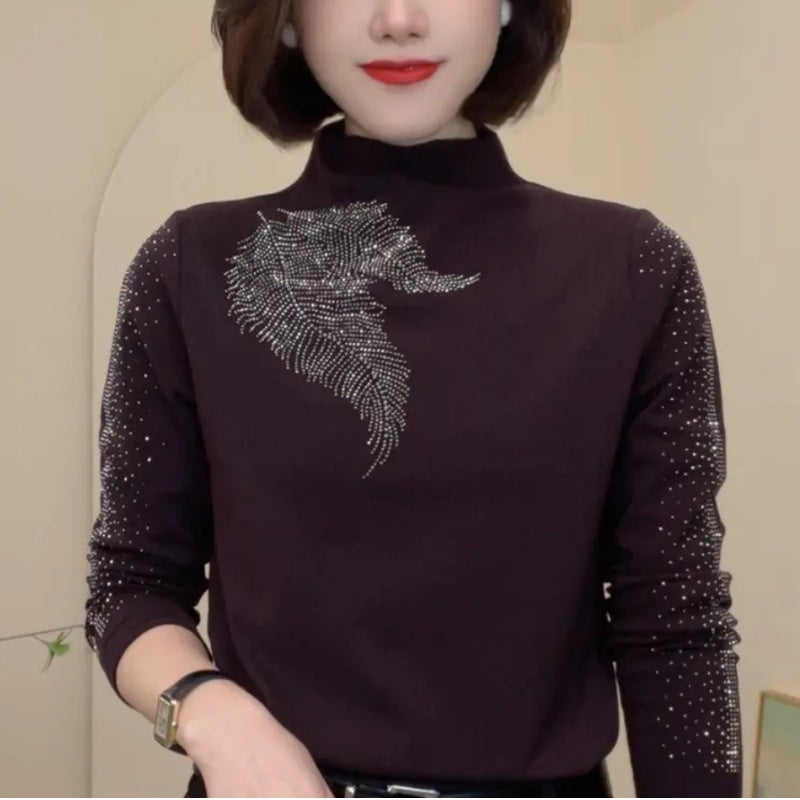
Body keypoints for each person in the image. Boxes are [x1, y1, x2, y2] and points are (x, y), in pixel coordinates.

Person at [83, 0, 743, 797]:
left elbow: (674, 621)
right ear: (287, 17)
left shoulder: (634, 270)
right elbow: (130, 585)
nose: (399, 19)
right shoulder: (188, 268)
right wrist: (212, 713)